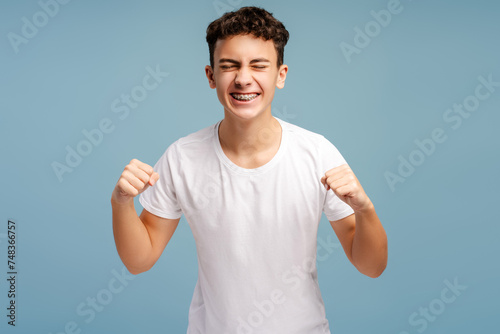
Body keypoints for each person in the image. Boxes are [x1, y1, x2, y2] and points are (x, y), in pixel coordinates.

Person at [111, 6, 387, 334]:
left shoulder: (317, 153)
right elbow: (139, 260)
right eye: (229, 66)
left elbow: (371, 266)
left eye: (258, 65)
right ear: (211, 76)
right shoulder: (182, 158)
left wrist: (364, 208)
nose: (243, 78)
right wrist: (121, 203)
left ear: (280, 75)